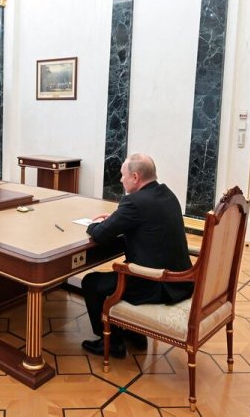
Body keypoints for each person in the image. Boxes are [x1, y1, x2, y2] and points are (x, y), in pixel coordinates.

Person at [81, 153, 194, 358]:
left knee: (91, 282)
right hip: (183, 281)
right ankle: (135, 334)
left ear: (135, 177)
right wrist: (117, 218)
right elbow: (147, 223)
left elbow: (100, 234)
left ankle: (111, 342)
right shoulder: (167, 194)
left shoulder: (133, 202)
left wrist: (96, 224)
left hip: (157, 283)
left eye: (122, 175)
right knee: (111, 278)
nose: (120, 179)